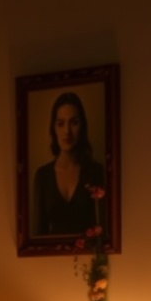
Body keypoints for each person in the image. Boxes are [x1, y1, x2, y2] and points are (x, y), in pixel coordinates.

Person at [32, 91, 106, 236]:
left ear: (82, 126)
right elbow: (37, 234)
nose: (67, 131)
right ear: (53, 128)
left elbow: (103, 230)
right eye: (60, 124)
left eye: (74, 123)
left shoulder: (95, 172)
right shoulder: (43, 176)